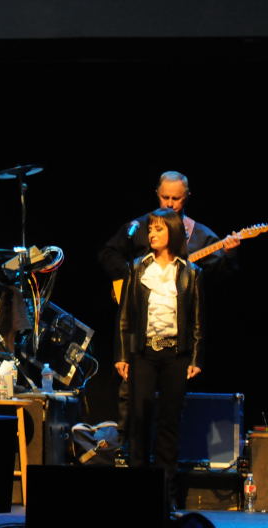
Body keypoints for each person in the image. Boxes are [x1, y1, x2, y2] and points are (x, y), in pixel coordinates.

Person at [114, 208, 203, 508]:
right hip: (144, 354)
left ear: (173, 233)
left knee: (169, 426)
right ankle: (139, 496)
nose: (151, 233)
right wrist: (123, 355)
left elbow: (198, 321)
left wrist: (195, 358)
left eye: (158, 229)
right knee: (139, 422)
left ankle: (167, 496)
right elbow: (125, 316)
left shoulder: (191, 272)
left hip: (176, 356)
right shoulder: (137, 268)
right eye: (150, 229)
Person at [99, 171, 239, 286]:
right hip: (139, 304)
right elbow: (108, 253)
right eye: (165, 197)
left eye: (176, 198)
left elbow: (221, 275)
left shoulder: (201, 235)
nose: (170, 204)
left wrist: (229, 253)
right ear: (157, 193)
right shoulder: (138, 226)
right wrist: (131, 275)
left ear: (187, 197)